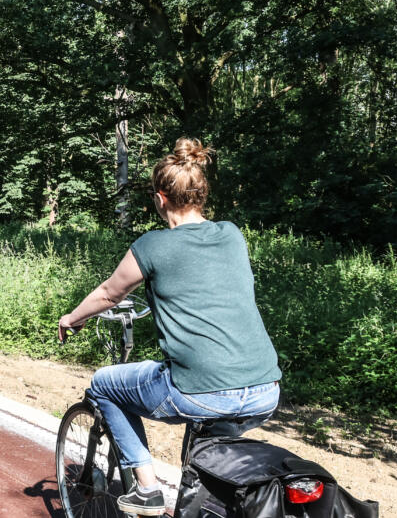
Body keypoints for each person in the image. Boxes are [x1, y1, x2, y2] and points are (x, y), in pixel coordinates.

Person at [56, 138, 282, 516]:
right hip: (264, 390)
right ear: (201, 194)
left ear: (160, 199)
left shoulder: (152, 246)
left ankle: (147, 490)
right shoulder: (231, 233)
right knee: (201, 465)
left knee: (104, 385)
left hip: (203, 390)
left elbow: (109, 294)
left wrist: (71, 318)